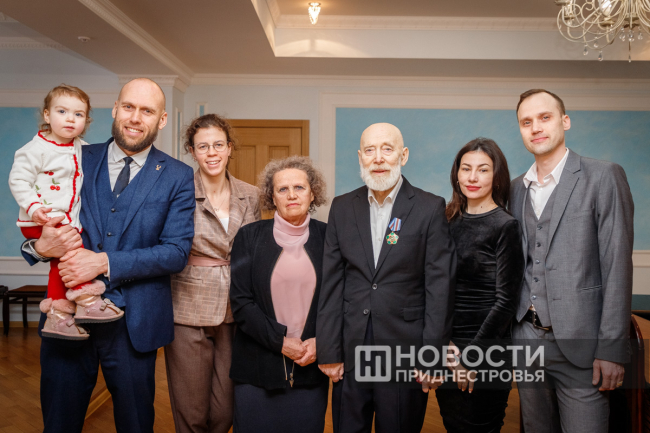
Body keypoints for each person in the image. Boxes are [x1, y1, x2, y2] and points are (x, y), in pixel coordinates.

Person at [20, 77, 195, 433]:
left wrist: (103, 262)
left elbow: (176, 252)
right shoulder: (74, 156)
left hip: (135, 324)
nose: (135, 118)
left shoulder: (178, 176)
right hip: (67, 320)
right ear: (115, 109)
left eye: (147, 111)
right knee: (58, 423)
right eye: (128, 107)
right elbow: (35, 214)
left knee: (135, 425)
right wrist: (38, 248)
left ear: (162, 119)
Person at [316, 123, 456, 433]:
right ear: (360, 157)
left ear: (403, 155)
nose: (378, 158)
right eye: (370, 150)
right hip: (351, 350)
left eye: (387, 149)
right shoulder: (342, 207)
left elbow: (440, 288)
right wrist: (329, 350)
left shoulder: (429, 207)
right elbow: (331, 283)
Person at [511, 89, 634, 433]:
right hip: (526, 340)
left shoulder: (604, 176)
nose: (535, 127)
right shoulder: (515, 189)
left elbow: (617, 267)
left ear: (565, 121)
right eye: (526, 122)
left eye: (545, 117)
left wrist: (612, 349)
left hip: (584, 344)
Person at [164, 113, 260, 433]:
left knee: (224, 411)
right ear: (192, 151)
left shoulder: (251, 194)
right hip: (187, 307)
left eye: (218, 144)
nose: (212, 152)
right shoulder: (179, 191)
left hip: (236, 309)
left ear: (230, 148)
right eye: (203, 146)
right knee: (191, 410)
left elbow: (255, 250)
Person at [9, 84, 123, 340]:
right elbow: (18, 180)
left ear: (87, 120)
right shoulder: (35, 148)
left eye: (78, 114)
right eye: (62, 111)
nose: (70, 119)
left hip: (67, 221)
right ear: (47, 115)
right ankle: (88, 301)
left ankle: (58, 317)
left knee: (59, 266)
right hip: (41, 220)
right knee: (73, 256)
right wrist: (34, 208)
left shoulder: (83, 149)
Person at [229, 156, 329, 433]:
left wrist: (323, 341)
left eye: (299, 187)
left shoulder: (329, 237)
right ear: (272, 197)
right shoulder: (248, 237)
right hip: (256, 370)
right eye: (282, 189)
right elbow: (241, 302)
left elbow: (339, 299)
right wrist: (280, 342)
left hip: (310, 367)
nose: (292, 195)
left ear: (312, 193)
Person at [434, 138, 524, 433]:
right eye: (466, 168)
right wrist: (444, 344)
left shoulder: (505, 225)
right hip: (447, 347)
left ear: (496, 177)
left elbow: (506, 301)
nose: (472, 177)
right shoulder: (446, 218)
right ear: (456, 174)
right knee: (454, 425)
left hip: (486, 349)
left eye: (483, 170)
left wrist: (471, 358)